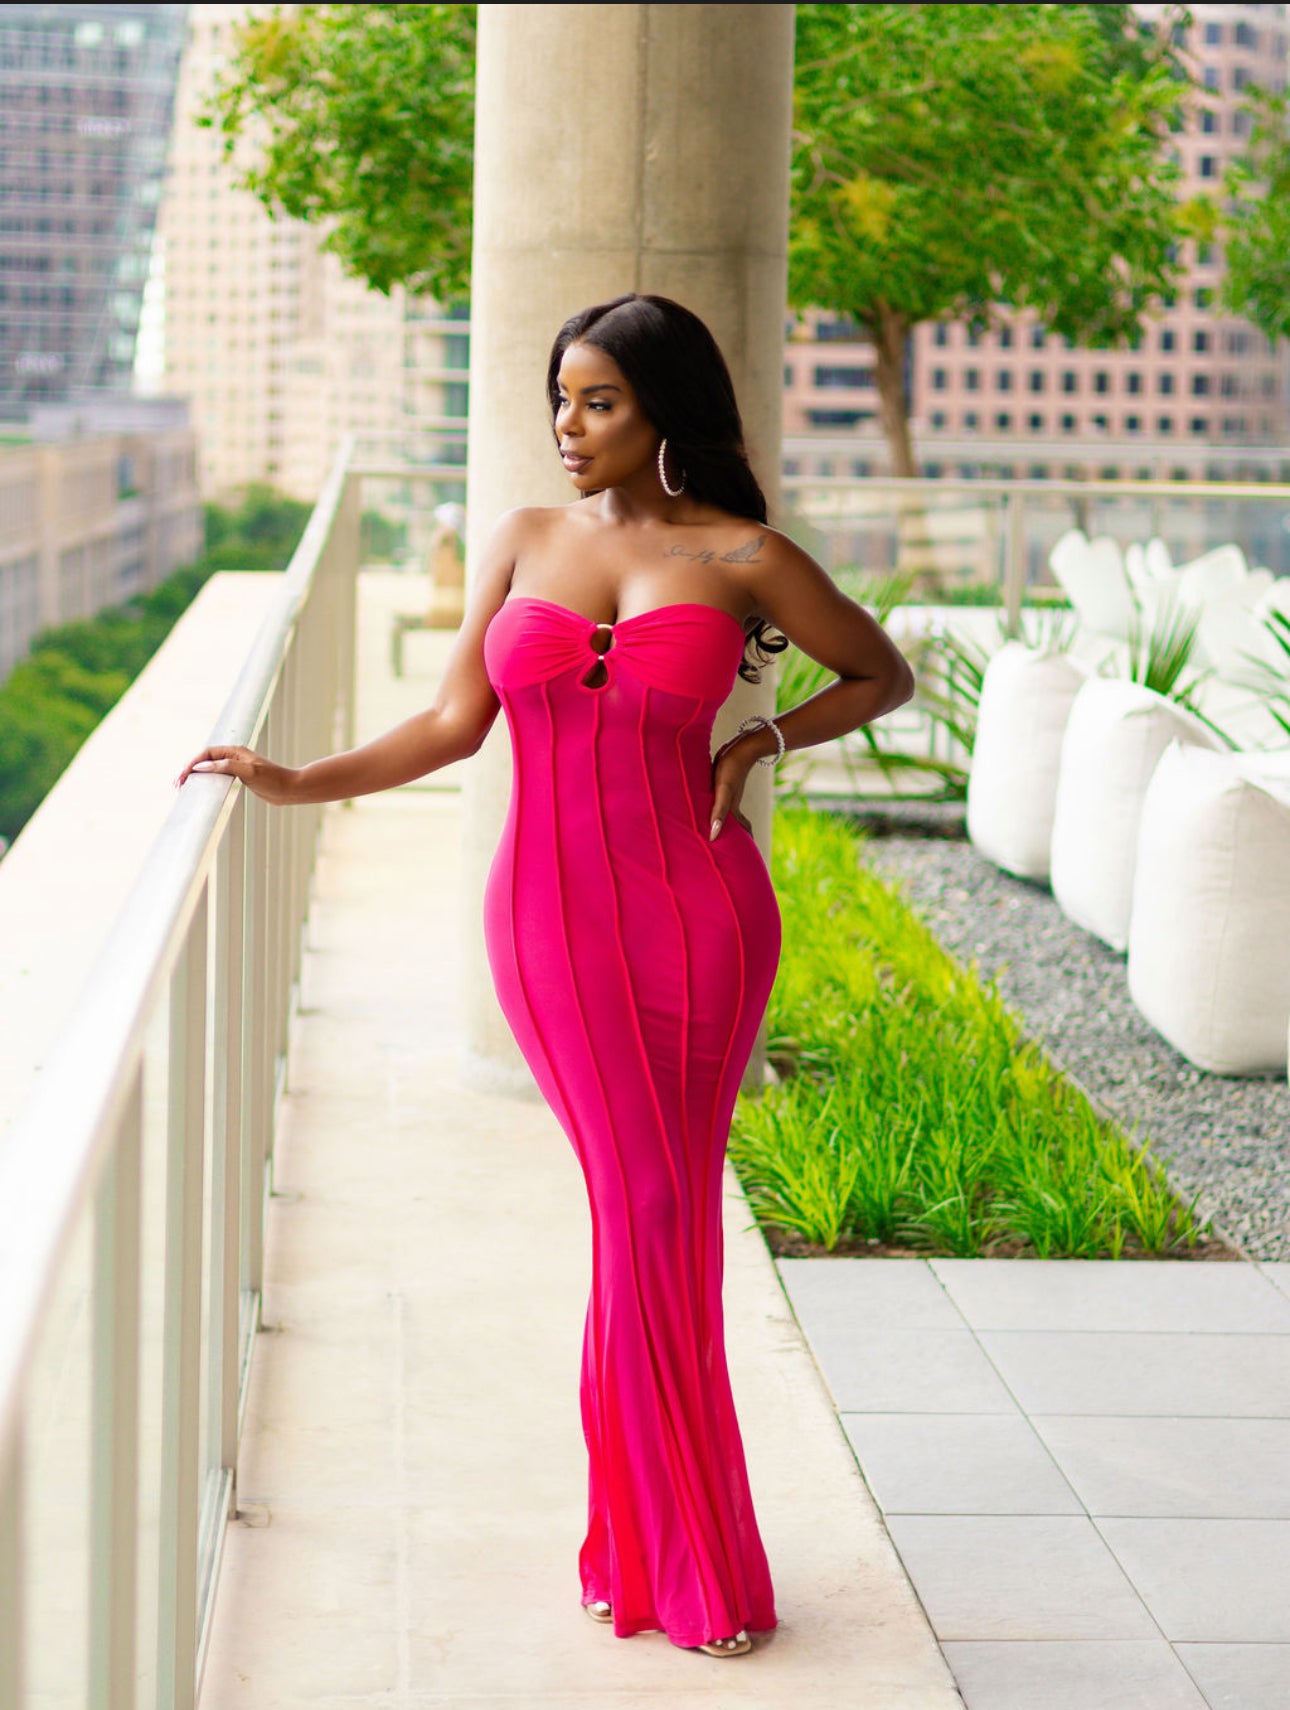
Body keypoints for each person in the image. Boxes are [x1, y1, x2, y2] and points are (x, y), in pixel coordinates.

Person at [176, 293, 915, 1659]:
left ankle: (656, 1550)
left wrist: (761, 744)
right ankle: (655, 1546)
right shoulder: (522, 540)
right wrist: (292, 780)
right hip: (547, 927)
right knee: (642, 1215)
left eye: (599, 404)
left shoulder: (743, 552)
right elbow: (455, 725)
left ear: (664, 415)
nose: (568, 430)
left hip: (698, 917)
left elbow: (881, 671)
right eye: (559, 401)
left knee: (656, 1216)